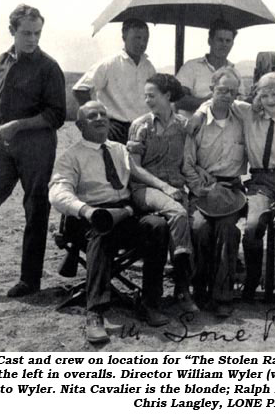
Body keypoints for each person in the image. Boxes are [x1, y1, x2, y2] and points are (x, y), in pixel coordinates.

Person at [192, 73, 275, 322]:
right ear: (257, 95)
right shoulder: (249, 115)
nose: (270, 100)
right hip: (260, 183)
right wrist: (197, 114)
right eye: (264, 94)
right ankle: (251, 279)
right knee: (252, 227)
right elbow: (218, 98)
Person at [49, 101, 173, 344]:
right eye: (92, 115)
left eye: (103, 114)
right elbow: (58, 192)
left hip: (125, 213)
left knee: (157, 227)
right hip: (89, 217)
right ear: (80, 125)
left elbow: (139, 176)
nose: (99, 118)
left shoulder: (119, 150)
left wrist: (164, 188)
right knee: (102, 231)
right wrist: (87, 211)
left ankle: (150, 303)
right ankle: (95, 313)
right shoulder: (71, 156)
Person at [0, 4, 66, 297]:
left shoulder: (49, 67)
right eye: (26, 33)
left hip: (37, 147)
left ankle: (29, 281)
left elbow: (56, 115)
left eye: (37, 33)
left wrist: (18, 125)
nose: (33, 39)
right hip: (4, 146)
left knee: (35, 210)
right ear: (12, 32)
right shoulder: (3, 60)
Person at [127, 73, 197, 313]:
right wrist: (164, 187)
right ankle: (182, 286)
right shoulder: (141, 126)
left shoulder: (183, 127)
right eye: (146, 96)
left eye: (152, 95)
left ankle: (187, 288)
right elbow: (134, 168)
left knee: (194, 223)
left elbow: (188, 162)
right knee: (178, 214)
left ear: (168, 96)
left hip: (176, 188)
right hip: (145, 189)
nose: (147, 100)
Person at [182, 67, 247, 318]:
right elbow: (187, 163)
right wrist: (202, 188)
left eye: (232, 91)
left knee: (228, 230)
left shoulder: (242, 120)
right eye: (222, 90)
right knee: (199, 229)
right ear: (211, 90)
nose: (227, 95)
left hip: (231, 189)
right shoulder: (196, 123)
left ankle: (223, 295)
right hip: (202, 189)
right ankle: (199, 288)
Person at [72, 19, 155, 144]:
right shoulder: (109, 64)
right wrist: (97, 118)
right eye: (137, 38)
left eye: (145, 39)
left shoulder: (149, 67)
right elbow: (80, 89)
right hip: (116, 130)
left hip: (143, 129)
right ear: (124, 37)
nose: (142, 43)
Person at [175, 19, 241, 117]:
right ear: (210, 41)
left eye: (228, 41)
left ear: (232, 44)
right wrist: (210, 101)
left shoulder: (235, 72)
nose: (224, 45)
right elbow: (178, 99)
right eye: (220, 40)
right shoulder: (191, 67)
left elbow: (240, 102)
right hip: (194, 129)